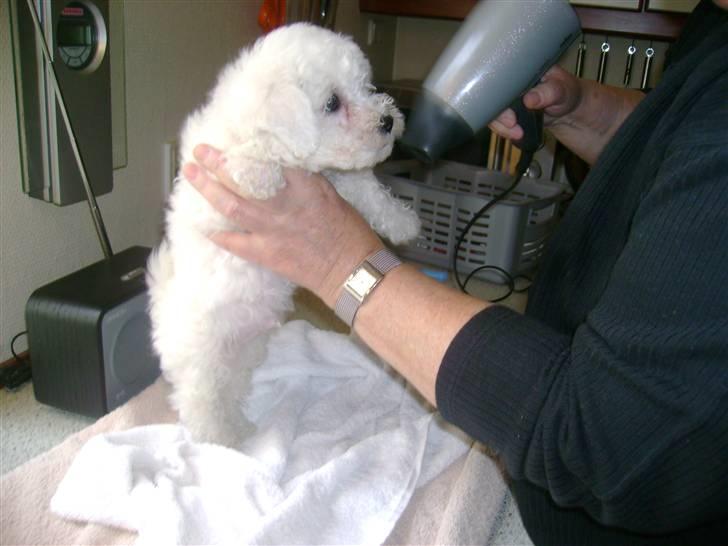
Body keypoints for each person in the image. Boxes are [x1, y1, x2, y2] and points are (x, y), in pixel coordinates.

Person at [181, 0, 728, 543]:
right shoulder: (715, 27)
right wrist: (599, 114)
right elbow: (682, 146)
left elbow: (608, 447)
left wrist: (338, 263)